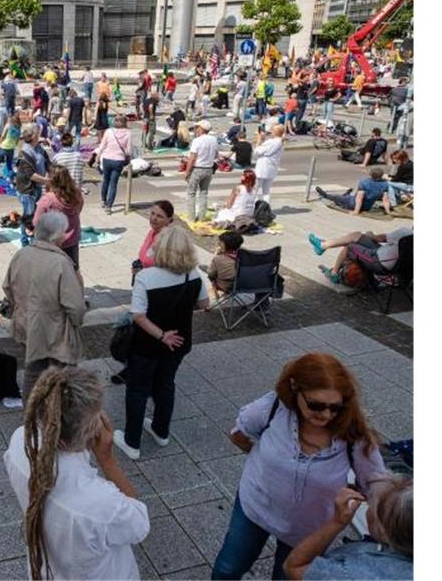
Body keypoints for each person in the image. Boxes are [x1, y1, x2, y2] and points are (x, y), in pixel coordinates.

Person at [212, 353, 388, 579]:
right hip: (255, 507)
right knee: (228, 568)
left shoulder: (354, 433)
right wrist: (262, 458)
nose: (326, 414)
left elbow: (376, 482)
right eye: (316, 405)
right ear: (294, 388)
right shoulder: (273, 407)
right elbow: (239, 433)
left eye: (335, 407)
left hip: (310, 528)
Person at [4, 366, 148, 580]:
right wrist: (107, 460)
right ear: (91, 431)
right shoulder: (100, 503)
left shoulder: (20, 440)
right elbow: (139, 524)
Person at [114, 226, 210, 461]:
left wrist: (161, 334)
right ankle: (161, 431)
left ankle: (132, 442)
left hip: (147, 345)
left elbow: (138, 315)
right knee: (165, 384)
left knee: (137, 390)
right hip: (179, 343)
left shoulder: (146, 277)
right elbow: (204, 304)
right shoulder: (194, 274)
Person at [4, 211, 87, 399]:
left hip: (27, 324)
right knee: (59, 378)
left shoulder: (21, 254)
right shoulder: (61, 263)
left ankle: (31, 418)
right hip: (54, 330)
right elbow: (75, 306)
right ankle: (53, 419)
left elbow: (7, 287)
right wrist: (76, 322)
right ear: (57, 236)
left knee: (32, 373)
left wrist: (22, 307)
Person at [282, 475, 412, 580]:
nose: (368, 503)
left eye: (374, 505)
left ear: (384, 530)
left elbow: (294, 567)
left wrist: (337, 522)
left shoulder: (352, 574)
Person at [308, 226, 412, 284]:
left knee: (350, 246)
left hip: (379, 263)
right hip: (399, 269)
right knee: (357, 235)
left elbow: (377, 238)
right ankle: (323, 245)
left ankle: (334, 273)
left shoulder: (405, 233)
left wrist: (370, 233)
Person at [34, 165, 85, 269]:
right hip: (72, 240)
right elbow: (79, 209)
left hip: (53, 243)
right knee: (74, 270)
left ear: (51, 180)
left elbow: (36, 222)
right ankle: (76, 285)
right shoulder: (77, 194)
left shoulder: (47, 200)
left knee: (52, 272)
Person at [14, 124, 51, 247]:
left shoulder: (39, 148)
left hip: (37, 187)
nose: (40, 134)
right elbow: (30, 174)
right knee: (29, 217)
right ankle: (27, 243)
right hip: (27, 189)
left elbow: (48, 164)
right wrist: (47, 181)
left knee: (34, 214)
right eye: (38, 132)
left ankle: (30, 240)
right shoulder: (24, 152)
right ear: (34, 135)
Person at [90, 115, 132, 213]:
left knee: (105, 180)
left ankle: (103, 200)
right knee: (113, 183)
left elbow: (102, 145)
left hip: (107, 158)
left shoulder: (109, 131)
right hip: (119, 160)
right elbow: (129, 150)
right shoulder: (128, 133)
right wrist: (128, 157)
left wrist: (98, 156)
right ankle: (109, 206)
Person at [315, 168, 392, 216]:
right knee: (348, 197)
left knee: (337, 197)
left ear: (371, 174)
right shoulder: (384, 184)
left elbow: (359, 198)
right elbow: (385, 199)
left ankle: (325, 195)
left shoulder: (364, 182)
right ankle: (346, 194)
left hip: (353, 204)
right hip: (367, 207)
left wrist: (356, 211)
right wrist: (388, 212)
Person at [185, 120, 219, 222]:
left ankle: (191, 217)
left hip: (197, 168)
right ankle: (202, 217)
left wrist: (187, 172)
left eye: (197, 127)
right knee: (204, 193)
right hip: (208, 169)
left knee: (191, 193)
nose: (196, 129)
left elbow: (192, 158)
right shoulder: (213, 140)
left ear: (202, 129)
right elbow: (216, 154)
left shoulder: (197, 141)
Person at [252, 124, 284, 204]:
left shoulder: (271, 142)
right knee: (266, 191)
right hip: (272, 168)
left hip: (263, 168)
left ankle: (256, 207)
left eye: (271, 131)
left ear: (275, 132)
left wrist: (258, 140)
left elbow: (257, 152)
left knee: (254, 190)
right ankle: (266, 208)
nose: (270, 133)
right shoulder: (280, 142)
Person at [207, 230, 244, 297]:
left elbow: (210, 274)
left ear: (226, 244)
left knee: (210, 273)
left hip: (226, 286)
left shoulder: (218, 258)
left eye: (220, 242)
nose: (218, 244)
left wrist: (216, 255)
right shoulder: (245, 256)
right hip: (244, 285)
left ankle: (214, 291)